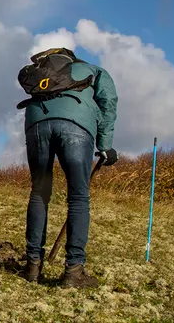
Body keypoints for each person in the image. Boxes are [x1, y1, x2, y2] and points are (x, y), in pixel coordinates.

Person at [16, 47, 119, 288]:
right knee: (78, 197)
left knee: (39, 192)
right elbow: (108, 101)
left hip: (36, 124)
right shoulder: (91, 69)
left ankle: (32, 266)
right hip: (76, 126)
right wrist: (105, 145)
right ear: (70, 56)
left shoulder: (41, 76)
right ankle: (73, 272)